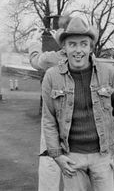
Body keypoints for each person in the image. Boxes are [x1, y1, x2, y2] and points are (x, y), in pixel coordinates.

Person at [41, 15, 114, 191]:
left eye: (84, 44)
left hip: (102, 156)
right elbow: (49, 120)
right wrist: (57, 156)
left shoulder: (109, 74)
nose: (78, 50)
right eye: (72, 44)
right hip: (71, 157)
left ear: (91, 47)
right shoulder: (52, 77)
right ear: (64, 47)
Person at [28, 30, 66, 191]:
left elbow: (36, 61)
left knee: (50, 163)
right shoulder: (88, 58)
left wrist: (34, 44)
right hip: (80, 119)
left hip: (55, 118)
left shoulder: (53, 58)